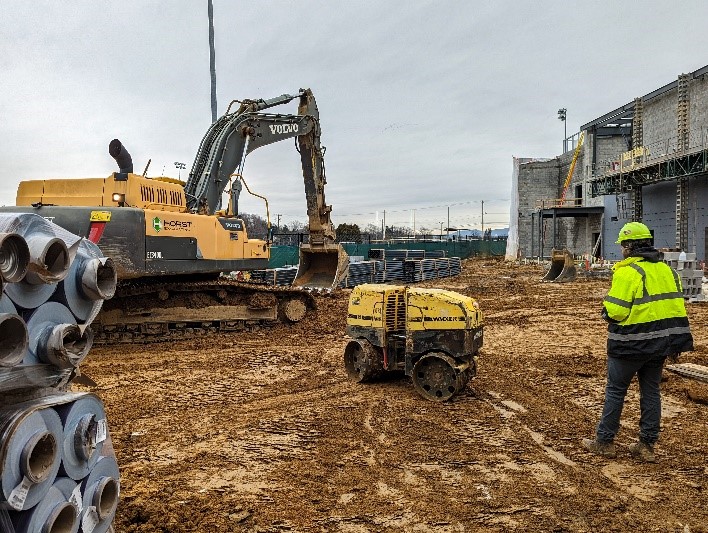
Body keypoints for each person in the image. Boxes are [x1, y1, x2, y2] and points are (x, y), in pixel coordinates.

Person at [582, 221, 693, 462]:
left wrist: (605, 312)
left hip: (629, 344)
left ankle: (605, 442)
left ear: (630, 246)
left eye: (623, 244)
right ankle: (646, 445)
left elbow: (616, 311)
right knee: (651, 392)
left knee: (615, 390)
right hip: (660, 345)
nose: (621, 249)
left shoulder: (627, 272)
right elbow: (674, 306)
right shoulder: (668, 271)